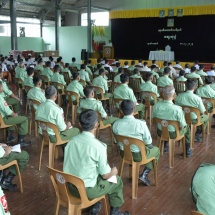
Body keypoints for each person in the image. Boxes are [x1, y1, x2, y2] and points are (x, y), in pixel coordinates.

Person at [63, 110, 130, 215]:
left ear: (80, 124)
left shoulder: (71, 142)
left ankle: (95, 205)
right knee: (117, 181)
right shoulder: (99, 146)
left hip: (71, 188)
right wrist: (113, 172)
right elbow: (105, 176)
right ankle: (114, 212)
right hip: (86, 191)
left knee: (92, 172)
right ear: (96, 124)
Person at [113, 100, 160, 185]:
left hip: (124, 154)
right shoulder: (140, 124)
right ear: (134, 109)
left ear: (121, 110)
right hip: (138, 156)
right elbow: (148, 141)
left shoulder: (116, 124)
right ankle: (144, 174)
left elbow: (116, 141)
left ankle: (138, 173)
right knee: (155, 150)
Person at [152, 85, 192, 156]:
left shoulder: (156, 106)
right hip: (173, 134)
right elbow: (182, 126)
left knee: (165, 124)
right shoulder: (177, 109)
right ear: (174, 95)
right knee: (187, 128)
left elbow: (153, 120)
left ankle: (165, 145)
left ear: (163, 94)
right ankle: (187, 150)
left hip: (160, 132)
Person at [0, 82, 30, 146]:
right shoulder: (0, 98)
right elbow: (8, 112)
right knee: (24, 119)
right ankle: (20, 141)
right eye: (1, 86)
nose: (2, 88)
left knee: (13, 117)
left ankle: (10, 135)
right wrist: (15, 115)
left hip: (2, 117)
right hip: (3, 119)